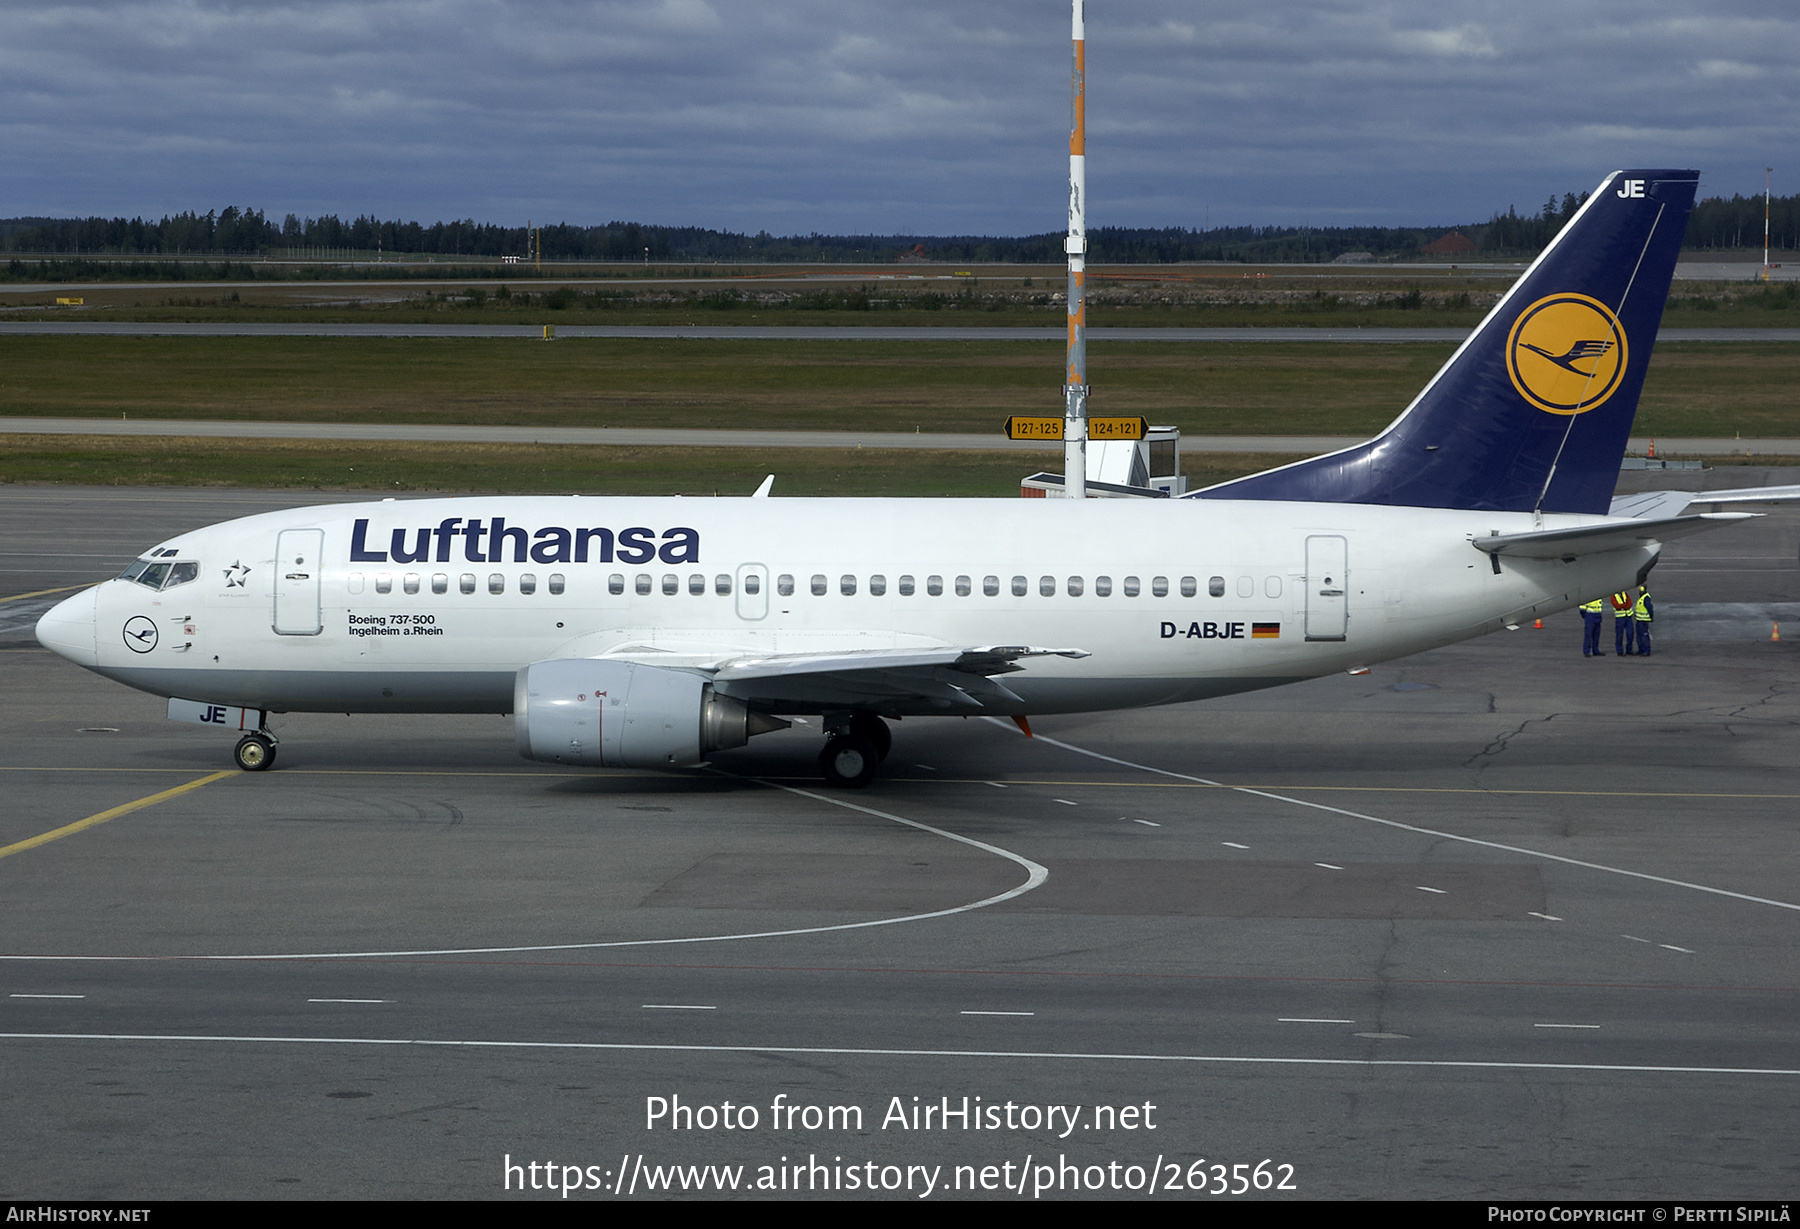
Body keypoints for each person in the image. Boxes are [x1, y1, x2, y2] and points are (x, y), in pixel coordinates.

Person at [1611, 590, 1637, 655]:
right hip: (1620, 618)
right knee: (1619, 635)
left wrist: (1622, 606)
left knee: (1630, 633)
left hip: (1628, 617)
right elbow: (1616, 606)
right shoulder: (1613, 596)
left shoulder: (1625, 594)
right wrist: (1625, 605)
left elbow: (1630, 603)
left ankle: (1629, 649)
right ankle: (1619, 650)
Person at [1633, 585, 1654, 656]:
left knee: (1644, 635)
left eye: (1639, 588)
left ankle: (1646, 650)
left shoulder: (1646, 598)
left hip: (1643, 620)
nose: (1638, 589)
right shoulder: (1641, 597)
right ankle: (1641, 649)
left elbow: (1649, 608)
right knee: (1639, 636)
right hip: (1639, 619)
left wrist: (1651, 617)